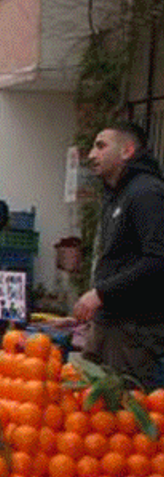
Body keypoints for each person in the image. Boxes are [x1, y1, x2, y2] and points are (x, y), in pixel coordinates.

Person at [74, 121, 164, 389]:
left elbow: (157, 260)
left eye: (101, 146)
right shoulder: (116, 195)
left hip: (133, 329)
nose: (92, 154)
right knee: (90, 415)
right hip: (108, 322)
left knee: (122, 416)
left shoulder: (146, 192)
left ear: (127, 151)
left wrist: (101, 293)